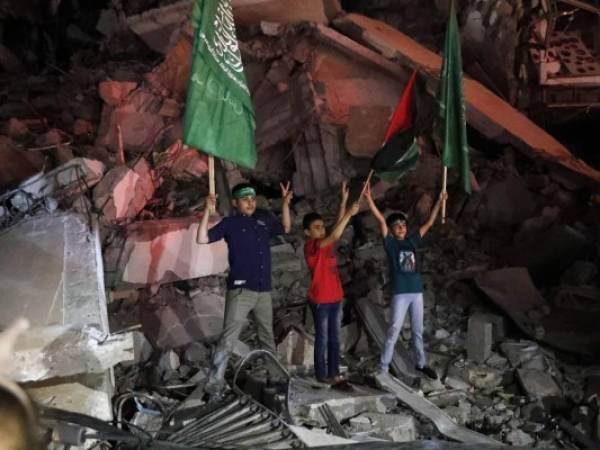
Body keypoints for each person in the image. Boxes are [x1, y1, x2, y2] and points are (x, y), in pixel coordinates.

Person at [197, 182, 293, 398]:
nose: (250, 202)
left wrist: (285, 204)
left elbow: (286, 228)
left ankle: (276, 380)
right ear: (235, 202)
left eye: (252, 197)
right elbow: (202, 238)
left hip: (263, 290)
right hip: (241, 290)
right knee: (229, 338)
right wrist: (206, 210)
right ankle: (214, 386)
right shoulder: (230, 224)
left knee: (267, 336)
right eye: (245, 198)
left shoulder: (264, 218)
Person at [364, 183, 447, 379]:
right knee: (394, 330)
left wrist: (439, 202)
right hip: (400, 293)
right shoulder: (391, 244)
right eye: (397, 226)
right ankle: (383, 368)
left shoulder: (411, 241)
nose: (401, 228)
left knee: (418, 330)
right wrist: (369, 200)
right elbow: (381, 222)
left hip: (416, 291)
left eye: (403, 225)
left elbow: (429, 223)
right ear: (392, 231)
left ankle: (421, 363)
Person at [303, 182, 359, 387]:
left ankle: (334, 372)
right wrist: (350, 214)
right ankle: (321, 373)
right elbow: (336, 233)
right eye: (316, 228)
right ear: (307, 232)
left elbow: (336, 228)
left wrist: (344, 203)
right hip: (320, 300)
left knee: (334, 338)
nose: (321, 230)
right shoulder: (312, 247)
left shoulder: (325, 245)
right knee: (323, 338)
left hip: (335, 298)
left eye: (321, 226)